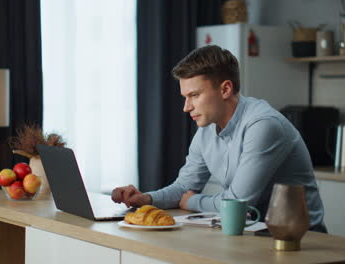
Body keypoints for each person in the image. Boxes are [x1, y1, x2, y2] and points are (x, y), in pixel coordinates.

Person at [112, 45, 327, 232]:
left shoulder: (264, 125)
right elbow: (183, 187)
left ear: (225, 89)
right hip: (252, 233)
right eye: (185, 97)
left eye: (194, 95)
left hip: (302, 240)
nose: (186, 107)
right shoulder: (206, 129)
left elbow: (237, 202)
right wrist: (146, 199)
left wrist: (192, 201)